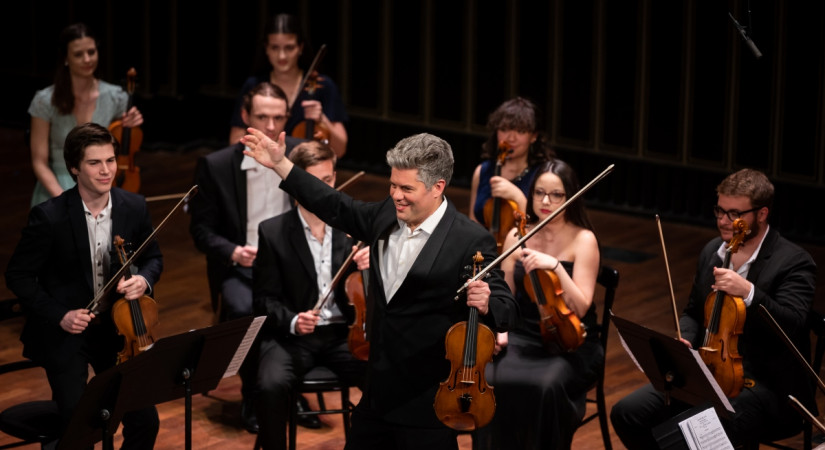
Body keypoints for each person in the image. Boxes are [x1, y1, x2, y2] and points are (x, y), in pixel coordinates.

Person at [241, 128, 518, 450]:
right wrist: (280, 164)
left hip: (426, 401)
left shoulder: (470, 240)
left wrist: (487, 303)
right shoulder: (387, 214)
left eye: (406, 188)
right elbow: (333, 204)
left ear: (437, 187)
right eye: (393, 185)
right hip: (377, 393)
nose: (396, 195)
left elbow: (506, 308)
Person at [610, 168, 817, 448]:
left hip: (768, 387)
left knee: (691, 438)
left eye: (734, 214)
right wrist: (683, 337)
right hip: (710, 374)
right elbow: (694, 312)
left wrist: (749, 292)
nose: (723, 221)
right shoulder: (714, 251)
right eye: (719, 211)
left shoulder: (793, 261)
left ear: (762, 214)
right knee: (628, 413)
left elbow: (792, 325)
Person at [5, 122, 162, 449]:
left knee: (146, 419)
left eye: (110, 160)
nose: (106, 171)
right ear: (74, 168)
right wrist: (60, 314)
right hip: (67, 332)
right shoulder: (48, 217)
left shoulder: (133, 206)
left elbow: (153, 258)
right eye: (94, 163)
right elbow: (17, 275)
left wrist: (143, 281)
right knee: (83, 422)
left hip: (118, 330)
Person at [188, 81, 314, 433]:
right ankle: (254, 394)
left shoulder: (304, 155)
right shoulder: (216, 165)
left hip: (293, 266)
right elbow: (200, 231)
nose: (271, 126)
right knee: (245, 311)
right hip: (241, 268)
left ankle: (292, 390)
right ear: (245, 117)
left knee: (312, 305)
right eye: (262, 117)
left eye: (278, 117)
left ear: (288, 117)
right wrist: (232, 251)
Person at [475, 159, 603, 450]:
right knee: (490, 377)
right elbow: (503, 294)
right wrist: (499, 328)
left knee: (546, 386)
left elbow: (581, 307)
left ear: (569, 196)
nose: (546, 201)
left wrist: (556, 267)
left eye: (556, 194)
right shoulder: (517, 235)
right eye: (539, 193)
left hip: (571, 340)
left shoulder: (584, 240)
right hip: (523, 334)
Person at [253, 140, 368, 450]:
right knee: (269, 384)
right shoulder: (273, 232)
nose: (324, 189)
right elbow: (263, 299)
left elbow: (372, 295)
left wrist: (371, 269)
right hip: (292, 338)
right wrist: (292, 321)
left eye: (329, 180)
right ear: (296, 183)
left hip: (344, 335)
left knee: (385, 375)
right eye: (314, 181)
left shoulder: (353, 229)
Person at [28, 23, 144, 207]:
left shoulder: (116, 97)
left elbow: (120, 152)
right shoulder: (44, 101)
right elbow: (39, 162)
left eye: (91, 52)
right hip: (57, 187)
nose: (87, 59)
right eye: (78, 54)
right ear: (66, 59)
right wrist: (64, 200)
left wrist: (131, 123)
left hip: (102, 186)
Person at [228, 13, 348, 158]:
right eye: (275, 48)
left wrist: (322, 119)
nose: (282, 56)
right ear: (266, 48)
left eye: (289, 48)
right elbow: (234, 143)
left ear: (300, 47)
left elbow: (340, 150)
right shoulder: (253, 85)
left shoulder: (323, 86)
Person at [468, 97, 554, 232]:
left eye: (520, 131)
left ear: (534, 136)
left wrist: (517, 196)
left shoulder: (543, 177)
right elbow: (473, 223)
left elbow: (546, 229)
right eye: (504, 129)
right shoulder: (482, 171)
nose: (511, 138)